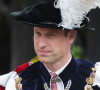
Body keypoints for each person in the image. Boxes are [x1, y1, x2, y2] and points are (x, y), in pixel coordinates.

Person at [0, 0, 100, 90]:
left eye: (51, 35)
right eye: (38, 33)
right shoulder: (18, 83)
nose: (41, 44)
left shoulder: (95, 79)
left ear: (70, 37)